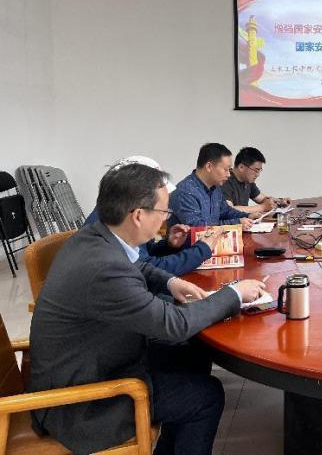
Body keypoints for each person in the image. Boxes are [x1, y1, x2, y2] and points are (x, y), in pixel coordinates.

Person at [29, 164, 266, 455]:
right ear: (139, 215)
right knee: (206, 396)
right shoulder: (104, 269)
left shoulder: (93, 236)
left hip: (95, 359)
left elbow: (136, 265)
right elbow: (174, 324)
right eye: (164, 212)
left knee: (192, 354)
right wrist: (234, 294)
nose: (166, 218)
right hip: (81, 403)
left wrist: (171, 282)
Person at [85, 156, 219, 276]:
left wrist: (168, 244)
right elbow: (148, 269)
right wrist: (201, 250)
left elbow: (144, 253)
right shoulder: (108, 237)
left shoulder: (117, 218)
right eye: (161, 211)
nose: (164, 218)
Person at [169, 143, 253, 230]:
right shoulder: (186, 192)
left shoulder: (215, 188)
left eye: (229, 170)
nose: (229, 174)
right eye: (226, 169)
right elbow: (199, 228)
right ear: (209, 166)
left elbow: (225, 212)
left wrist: (248, 216)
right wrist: (236, 224)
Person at [221, 147, 290, 216]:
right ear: (241, 167)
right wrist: (262, 207)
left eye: (260, 170)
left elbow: (262, 198)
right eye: (256, 170)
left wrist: (280, 201)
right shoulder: (225, 180)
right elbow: (228, 210)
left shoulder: (247, 181)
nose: (258, 175)